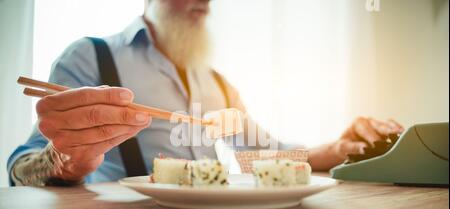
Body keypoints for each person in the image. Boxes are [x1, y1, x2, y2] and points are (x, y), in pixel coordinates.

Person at [7, 0, 403, 186]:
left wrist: (336, 148)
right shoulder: (91, 56)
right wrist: (63, 160)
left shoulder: (219, 82)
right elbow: (20, 169)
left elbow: (259, 159)